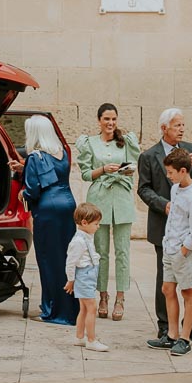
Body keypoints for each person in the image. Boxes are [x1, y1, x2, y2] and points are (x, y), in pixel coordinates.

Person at [137, 107, 192, 346]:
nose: (182, 129)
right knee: (165, 283)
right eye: (177, 125)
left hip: (188, 232)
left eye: (183, 125)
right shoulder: (148, 156)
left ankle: (191, 326)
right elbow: (143, 189)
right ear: (164, 128)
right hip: (163, 227)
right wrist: (164, 204)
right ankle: (166, 327)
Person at [75, 103, 139, 321]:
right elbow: (85, 174)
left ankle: (120, 297)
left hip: (121, 198)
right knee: (100, 251)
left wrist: (122, 170)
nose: (110, 123)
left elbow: (133, 167)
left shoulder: (126, 141)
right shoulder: (89, 143)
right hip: (99, 198)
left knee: (123, 251)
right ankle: (102, 295)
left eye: (113, 119)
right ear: (99, 121)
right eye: (106, 119)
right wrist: (103, 169)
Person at [20, 115, 79, 326]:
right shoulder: (61, 152)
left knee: (48, 260)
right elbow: (54, 176)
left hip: (48, 211)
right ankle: (70, 308)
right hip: (68, 205)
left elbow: (34, 190)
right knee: (66, 259)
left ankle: (53, 310)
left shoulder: (35, 157)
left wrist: (22, 195)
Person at [156, 148, 192, 357]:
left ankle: (185, 337)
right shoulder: (175, 189)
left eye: (171, 172)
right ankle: (171, 334)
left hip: (184, 251)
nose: (169, 175)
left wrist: (184, 249)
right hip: (170, 246)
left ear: (183, 171)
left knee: (187, 292)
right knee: (167, 288)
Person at [65, 202, 108, 351]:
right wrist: (71, 280)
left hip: (88, 275)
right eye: (96, 224)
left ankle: (79, 337)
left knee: (83, 308)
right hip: (84, 276)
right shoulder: (78, 241)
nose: (98, 227)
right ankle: (91, 339)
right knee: (91, 307)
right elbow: (70, 262)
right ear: (84, 223)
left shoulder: (86, 237)